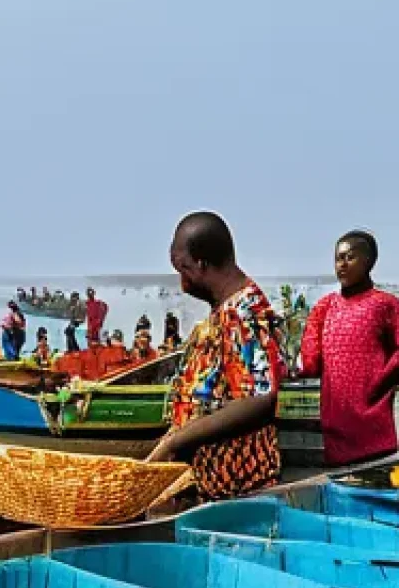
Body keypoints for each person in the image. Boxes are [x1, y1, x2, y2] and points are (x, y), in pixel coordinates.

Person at [148, 212, 286, 501]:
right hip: (212, 488)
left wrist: (177, 441)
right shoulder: (224, 311)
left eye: (183, 269)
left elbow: (260, 398)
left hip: (240, 494)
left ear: (201, 264)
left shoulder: (244, 313)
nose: (181, 282)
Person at [299, 231, 399, 466]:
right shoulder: (325, 307)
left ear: (368, 261)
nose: (341, 265)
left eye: (349, 257)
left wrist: (380, 381)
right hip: (336, 431)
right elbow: (311, 364)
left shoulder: (385, 304)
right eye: (337, 258)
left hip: (376, 430)